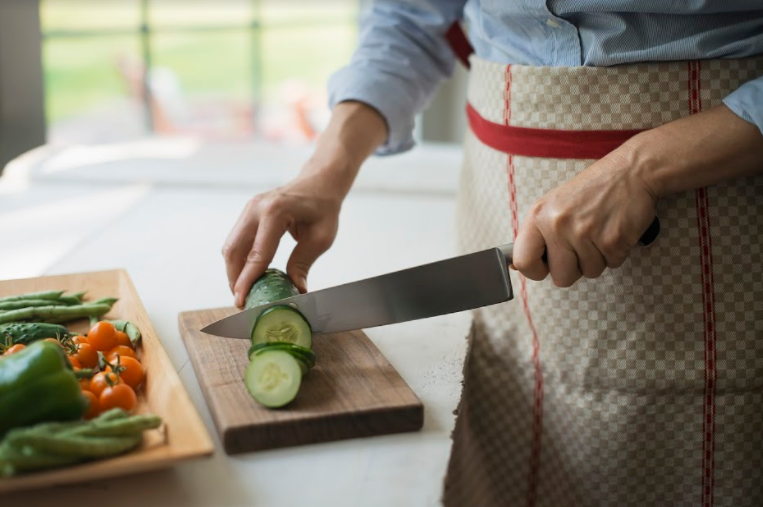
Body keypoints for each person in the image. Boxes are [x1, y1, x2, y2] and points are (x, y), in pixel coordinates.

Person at [222, 2, 763, 505]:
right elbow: (407, 18)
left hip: (714, 194)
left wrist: (642, 166)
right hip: (498, 196)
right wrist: (325, 171)